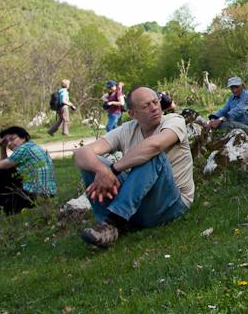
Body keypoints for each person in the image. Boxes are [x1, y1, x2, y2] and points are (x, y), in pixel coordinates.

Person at [73, 87, 194, 247]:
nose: (154, 108)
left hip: (171, 205)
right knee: (94, 163)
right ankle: (107, 225)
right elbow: (81, 153)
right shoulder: (126, 130)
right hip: (139, 207)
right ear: (132, 114)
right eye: (146, 106)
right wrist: (101, 170)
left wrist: (113, 170)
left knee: (153, 154)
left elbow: (156, 145)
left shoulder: (174, 121)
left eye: (155, 102)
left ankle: (114, 221)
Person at [0, 126, 57, 218]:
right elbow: (5, 165)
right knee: (5, 171)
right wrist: (2, 147)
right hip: (46, 194)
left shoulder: (23, 150)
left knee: (1, 174)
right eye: (7, 141)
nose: (9, 143)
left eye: (12, 139)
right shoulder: (30, 146)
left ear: (23, 138)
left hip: (34, 195)